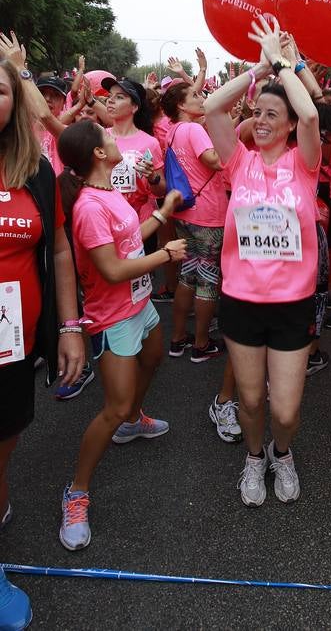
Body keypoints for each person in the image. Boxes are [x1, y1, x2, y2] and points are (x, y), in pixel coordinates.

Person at [204, 14, 321, 506]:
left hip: (293, 303)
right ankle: (254, 457)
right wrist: (256, 70)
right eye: (260, 113)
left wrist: (284, 66)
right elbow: (211, 106)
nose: (265, 119)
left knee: (287, 410)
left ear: (290, 124)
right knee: (251, 399)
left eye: (276, 113)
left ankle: (282, 450)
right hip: (242, 301)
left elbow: (313, 116)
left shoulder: (305, 162)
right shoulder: (239, 160)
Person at [55, 120, 186, 550]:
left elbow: (130, 241)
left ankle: (134, 422)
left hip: (140, 305)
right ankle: (77, 492)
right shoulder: (90, 207)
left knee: (154, 359)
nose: (115, 138)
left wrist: (163, 213)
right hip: (112, 318)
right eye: (107, 136)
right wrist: (165, 254)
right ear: (96, 153)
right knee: (113, 407)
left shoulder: (110, 195)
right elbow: (112, 270)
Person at [0, 59, 84, 629]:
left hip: (11, 345)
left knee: (1, 450)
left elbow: (57, 248)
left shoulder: (34, 171)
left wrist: (70, 326)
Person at [160, 81, 226, 362]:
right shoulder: (193, 128)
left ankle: (177, 338)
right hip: (208, 213)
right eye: (196, 96)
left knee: (188, 274)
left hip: (185, 211)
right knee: (208, 279)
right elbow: (213, 160)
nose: (202, 98)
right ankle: (201, 344)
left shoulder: (173, 130)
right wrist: (230, 145)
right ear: (181, 106)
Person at [103, 77, 166, 225]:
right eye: (109, 96)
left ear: (134, 107)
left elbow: (161, 191)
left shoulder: (150, 143)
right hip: (105, 219)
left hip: (139, 222)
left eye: (119, 97)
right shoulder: (98, 137)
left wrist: (152, 177)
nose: (110, 101)